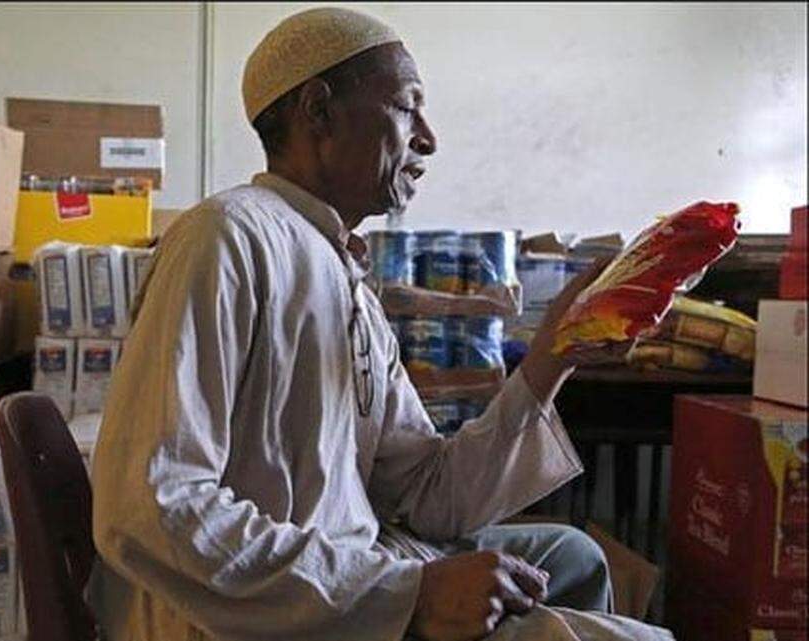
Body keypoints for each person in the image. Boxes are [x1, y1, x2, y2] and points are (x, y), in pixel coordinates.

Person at [90, 7, 671, 641]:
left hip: (351, 571)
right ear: (319, 111)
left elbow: (427, 495)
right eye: (406, 107)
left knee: (572, 558)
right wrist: (405, 594)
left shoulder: (343, 275)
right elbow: (151, 505)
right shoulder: (228, 236)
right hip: (246, 617)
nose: (428, 138)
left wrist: (552, 358)